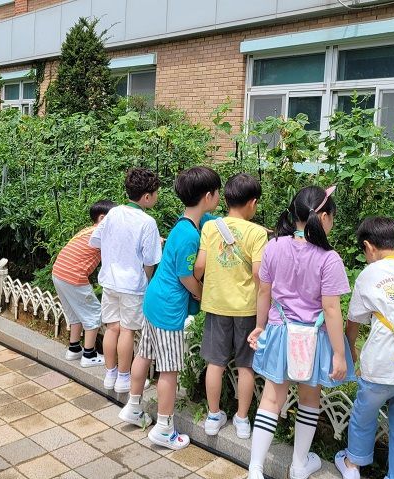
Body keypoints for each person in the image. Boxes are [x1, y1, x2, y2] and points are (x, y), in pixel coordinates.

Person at [246, 186, 356, 479]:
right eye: (331, 215)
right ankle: (298, 465)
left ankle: (255, 469)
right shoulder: (329, 258)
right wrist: (338, 353)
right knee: (309, 399)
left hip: (280, 332)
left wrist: (260, 326)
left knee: (271, 399)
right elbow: (331, 310)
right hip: (315, 337)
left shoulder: (273, 246)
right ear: (322, 217)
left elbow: (264, 292)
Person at [118, 166, 221, 450]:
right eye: (218, 193)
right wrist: (203, 297)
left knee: (145, 353)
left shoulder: (188, 224)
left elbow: (216, 223)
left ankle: (134, 406)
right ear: (209, 195)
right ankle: (164, 428)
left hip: (154, 299)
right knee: (169, 370)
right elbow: (186, 276)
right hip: (168, 309)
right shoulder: (189, 236)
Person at [335, 217, 394, 479]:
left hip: (381, 365)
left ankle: (353, 466)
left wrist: (350, 348)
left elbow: (353, 321)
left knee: (363, 415)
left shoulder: (369, 274)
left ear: (368, 247)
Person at [193, 173, 268, 438]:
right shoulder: (258, 233)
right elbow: (260, 275)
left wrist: (207, 286)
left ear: (225, 199)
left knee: (216, 362)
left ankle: (213, 416)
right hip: (247, 308)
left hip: (216, 305)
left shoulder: (210, 227)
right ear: (253, 202)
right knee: (245, 365)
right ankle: (242, 419)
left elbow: (199, 266)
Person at [89, 168, 162, 393]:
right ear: (147, 196)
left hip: (110, 280)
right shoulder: (147, 222)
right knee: (128, 331)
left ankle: (110, 374)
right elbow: (150, 260)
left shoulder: (113, 213)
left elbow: (95, 240)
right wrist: (147, 278)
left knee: (112, 328)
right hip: (132, 284)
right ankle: (123, 377)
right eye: (156, 193)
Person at [52, 200, 116, 367]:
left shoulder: (87, 230)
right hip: (73, 276)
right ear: (102, 218)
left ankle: (74, 349)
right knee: (94, 313)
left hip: (59, 273)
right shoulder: (101, 233)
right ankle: (89, 355)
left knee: (75, 312)